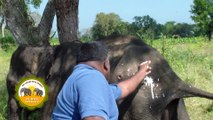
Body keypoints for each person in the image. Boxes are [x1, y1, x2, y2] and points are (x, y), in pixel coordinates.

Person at [52, 41, 151, 120]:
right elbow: (93, 118)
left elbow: (124, 88)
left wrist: (142, 72)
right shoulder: (92, 78)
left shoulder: (82, 78)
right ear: (105, 64)